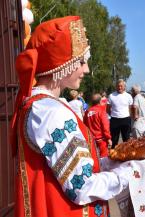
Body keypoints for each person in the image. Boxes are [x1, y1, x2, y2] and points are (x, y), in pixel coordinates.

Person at [11, 16, 130, 217]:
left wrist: (107, 163)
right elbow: (80, 186)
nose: (86, 69)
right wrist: (128, 174)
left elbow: (68, 166)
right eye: (81, 61)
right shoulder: (50, 112)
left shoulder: (38, 105)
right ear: (61, 64)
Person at [84, 93, 112, 158]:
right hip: (101, 140)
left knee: (93, 158)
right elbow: (105, 126)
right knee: (103, 158)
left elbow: (84, 125)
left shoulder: (87, 111)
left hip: (91, 139)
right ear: (100, 101)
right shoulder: (101, 111)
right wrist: (108, 138)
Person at [107, 79, 133, 148]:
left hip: (126, 119)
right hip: (115, 120)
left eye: (121, 86)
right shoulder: (111, 96)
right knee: (114, 140)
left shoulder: (129, 96)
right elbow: (108, 109)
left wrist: (127, 116)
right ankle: (113, 154)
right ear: (116, 87)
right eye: (118, 86)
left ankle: (127, 155)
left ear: (124, 87)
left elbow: (130, 109)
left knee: (126, 139)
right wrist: (114, 115)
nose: (119, 88)